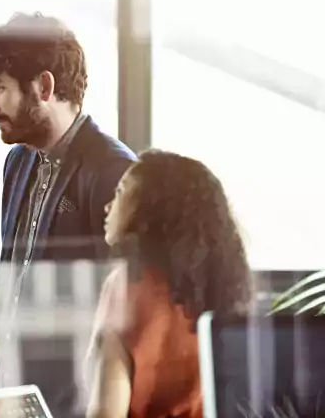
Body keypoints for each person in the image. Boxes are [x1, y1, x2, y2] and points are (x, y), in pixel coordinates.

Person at [0, 12, 136, 413]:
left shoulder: (114, 172)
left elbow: (125, 321)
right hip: (12, 402)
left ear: (44, 86)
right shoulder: (18, 162)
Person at [86, 150, 251, 418]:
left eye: (120, 191)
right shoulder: (227, 288)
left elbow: (106, 413)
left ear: (149, 209)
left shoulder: (128, 287)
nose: (108, 206)